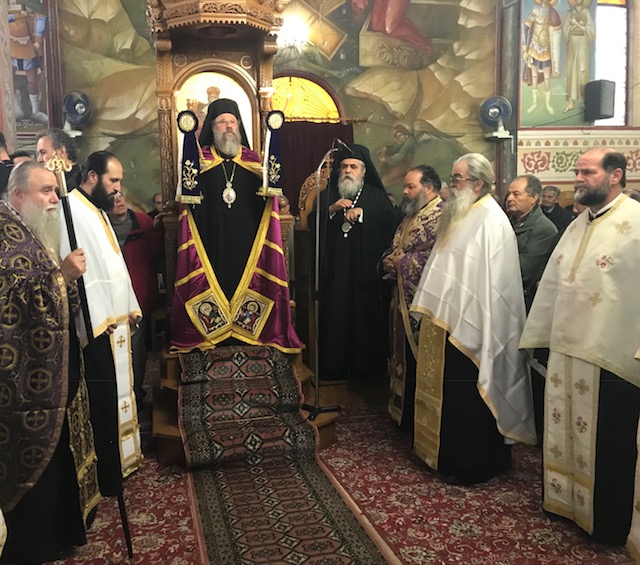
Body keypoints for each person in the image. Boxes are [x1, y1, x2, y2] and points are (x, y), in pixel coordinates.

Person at [521, 148, 640, 547]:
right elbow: (554, 285)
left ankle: (606, 523)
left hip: (612, 354)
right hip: (567, 348)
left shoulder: (636, 222)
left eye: (587, 172)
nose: (578, 178)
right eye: (577, 171)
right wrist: (540, 335)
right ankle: (566, 503)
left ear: (615, 175)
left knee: (609, 441)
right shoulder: (576, 225)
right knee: (565, 427)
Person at [411, 153, 537, 485]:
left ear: (478, 183)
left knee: (471, 396)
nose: (451, 185)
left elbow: (491, 286)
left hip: (477, 326)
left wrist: (466, 313)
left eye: (457, 178)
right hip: (453, 322)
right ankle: (452, 457)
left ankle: (473, 464)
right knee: (456, 395)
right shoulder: (464, 213)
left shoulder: (491, 220)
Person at [0, 161, 101, 564]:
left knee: (59, 454)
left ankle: (61, 533)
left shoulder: (29, 229)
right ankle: (32, 546)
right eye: (45, 191)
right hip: (21, 381)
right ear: (18, 194)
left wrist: (62, 279)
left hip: (51, 373)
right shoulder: (4, 235)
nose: (55, 199)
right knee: (35, 463)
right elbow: (10, 301)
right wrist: (61, 277)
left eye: (56, 191)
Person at [170, 98, 302, 353]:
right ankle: (214, 333)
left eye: (232, 121)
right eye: (222, 122)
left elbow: (269, 200)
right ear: (212, 128)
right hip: (211, 242)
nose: (229, 126)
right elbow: (188, 203)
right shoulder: (199, 162)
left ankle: (248, 332)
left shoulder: (253, 162)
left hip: (248, 243)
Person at [62, 151, 143, 497]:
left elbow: (113, 265)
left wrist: (128, 305)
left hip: (113, 322)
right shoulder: (69, 210)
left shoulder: (95, 210)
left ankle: (121, 463)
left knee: (120, 392)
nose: (118, 188)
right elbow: (81, 273)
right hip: (97, 328)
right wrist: (99, 317)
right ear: (93, 177)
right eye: (113, 180)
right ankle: (108, 474)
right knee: (103, 399)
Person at [312, 143, 397, 381]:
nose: (348, 171)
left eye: (353, 167)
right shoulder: (328, 195)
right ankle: (334, 367)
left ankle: (365, 369)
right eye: (344, 167)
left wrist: (362, 214)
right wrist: (331, 210)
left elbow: (389, 221)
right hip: (336, 271)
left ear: (364, 171)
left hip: (364, 272)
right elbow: (312, 224)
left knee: (364, 317)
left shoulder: (376, 196)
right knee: (336, 315)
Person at [381, 165, 443, 430]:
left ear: (429, 188)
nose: (405, 192)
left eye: (411, 187)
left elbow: (439, 259)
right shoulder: (411, 215)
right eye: (405, 186)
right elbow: (397, 248)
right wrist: (387, 261)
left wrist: (403, 263)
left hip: (425, 304)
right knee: (401, 356)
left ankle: (419, 421)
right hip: (401, 299)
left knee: (420, 360)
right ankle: (402, 414)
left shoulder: (442, 216)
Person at [107, 191, 164, 411]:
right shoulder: (100, 225)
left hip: (139, 296)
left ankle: (136, 394)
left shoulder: (143, 222)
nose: (118, 200)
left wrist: (158, 231)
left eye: (120, 195)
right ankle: (117, 396)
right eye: (112, 197)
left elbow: (158, 253)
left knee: (137, 350)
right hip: (111, 299)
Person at [505, 174, 557, 291]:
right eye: (508, 194)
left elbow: (525, 270)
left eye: (516, 194)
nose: (509, 198)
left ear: (533, 198)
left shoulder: (544, 229)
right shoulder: (508, 220)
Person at [9, 1, 48, 123]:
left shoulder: (36, 12)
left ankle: (35, 111)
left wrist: (38, 41)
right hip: (11, 47)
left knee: (32, 81)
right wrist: (19, 15)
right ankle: (15, 107)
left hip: (28, 49)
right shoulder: (12, 9)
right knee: (9, 79)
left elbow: (41, 20)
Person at [522, 0, 561, 115]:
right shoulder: (535, 11)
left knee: (547, 77)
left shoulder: (553, 13)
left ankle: (547, 104)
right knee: (534, 75)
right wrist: (524, 47)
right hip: (534, 47)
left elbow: (557, 31)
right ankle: (534, 103)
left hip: (547, 49)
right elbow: (526, 27)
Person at [562, 0, 595, 114]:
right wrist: (571, 27)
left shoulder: (586, 13)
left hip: (583, 42)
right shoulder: (571, 13)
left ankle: (583, 99)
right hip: (572, 42)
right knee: (571, 70)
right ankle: (570, 102)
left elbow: (591, 30)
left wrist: (577, 24)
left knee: (582, 69)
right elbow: (565, 28)